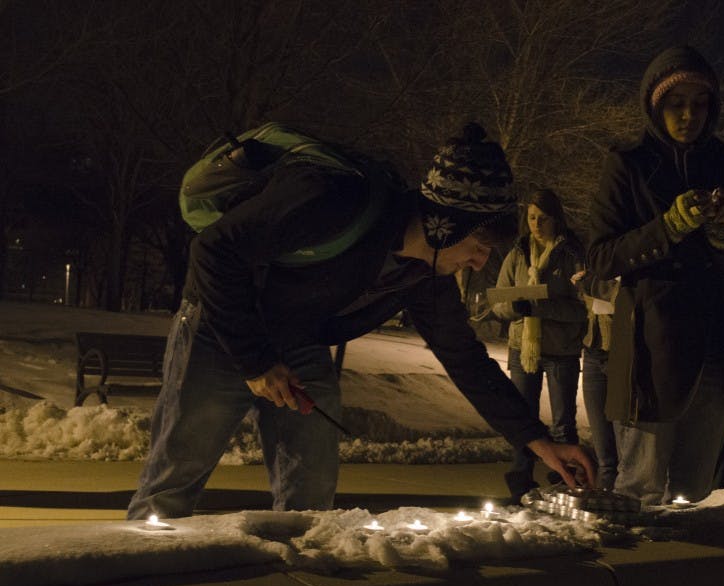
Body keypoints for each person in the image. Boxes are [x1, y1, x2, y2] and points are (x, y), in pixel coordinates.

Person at [127, 123, 594, 520]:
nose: (478, 262)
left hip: (299, 340)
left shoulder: (422, 276)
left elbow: (465, 358)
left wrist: (537, 441)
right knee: (174, 481)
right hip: (222, 328)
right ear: (443, 226)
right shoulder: (333, 198)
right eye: (478, 246)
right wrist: (253, 361)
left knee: (310, 497)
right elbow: (213, 250)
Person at [587, 46, 724, 506]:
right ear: (654, 105)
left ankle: (690, 574)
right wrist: (665, 228)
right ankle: (635, 575)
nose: (689, 115)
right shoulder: (627, 165)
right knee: (640, 490)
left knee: (698, 495)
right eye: (675, 103)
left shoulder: (723, 165)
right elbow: (602, 258)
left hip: (716, 349)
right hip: (652, 351)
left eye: (699, 103)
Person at [491, 189, 588, 502]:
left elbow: (582, 308)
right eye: (532, 217)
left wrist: (540, 307)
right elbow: (500, 300)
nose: (536, 224)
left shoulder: (572, 253)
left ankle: (567, 481)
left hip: (561, 351)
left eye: (543, 218)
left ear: (556, 218)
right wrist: (515, 308)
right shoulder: (518, 252)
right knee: (524, 419)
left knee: (563, 422)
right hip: (524, 349)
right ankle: (520, 481)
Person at [578, 272, 620, 491]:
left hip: (622, 353)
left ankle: (622, 506)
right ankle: (607, 504)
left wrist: (593, 286)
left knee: (625, 454)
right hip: (594, 349)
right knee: (604, 454)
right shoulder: (598, 264)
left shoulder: (632, 258)